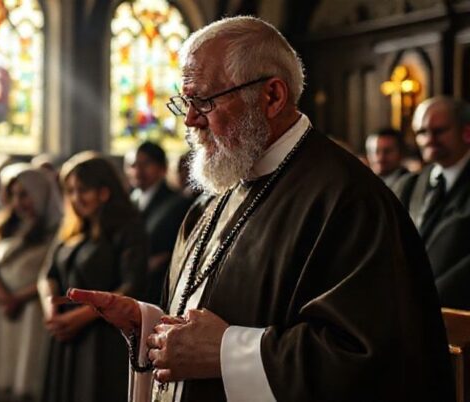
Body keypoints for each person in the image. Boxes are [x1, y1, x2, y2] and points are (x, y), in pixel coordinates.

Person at [68, 16, 452, 402]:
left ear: (272, 96)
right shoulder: (222, 189)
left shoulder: (350, 201)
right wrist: (151, 326)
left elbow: (372, 362)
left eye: (204, 100)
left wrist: (225, 353)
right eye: (185, 101)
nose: (189, 119)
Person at [39, 152, 147, 402]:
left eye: (83, 190)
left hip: (102, 337)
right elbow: (48, 274)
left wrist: (82, 316)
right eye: (71, 191)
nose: (76, 199)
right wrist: (51, 311)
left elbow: (132, 284)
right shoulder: (73, 227)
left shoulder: (128, 228)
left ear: (104, 191)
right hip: (65, 332)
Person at [0, 166, 62, 401]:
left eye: (24, 194)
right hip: (1, 306)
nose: (18, 201)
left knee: (25, 370)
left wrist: (18, 298)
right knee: (2, 366)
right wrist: (3, 295)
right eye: (13, 194)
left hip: (31, 308)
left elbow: (53, 273)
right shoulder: (4, 225)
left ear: (40, 192)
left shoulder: (57, 229)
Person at [397, 96, 470, 309]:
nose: (429, 139)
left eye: (438, 131)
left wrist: (426, 301)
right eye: (421, 132)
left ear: (466, 131)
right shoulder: (408, 184)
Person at [125, 142, 190, 304]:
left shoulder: (178, 204)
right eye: (132, 165)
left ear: (163, 168)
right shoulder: (126, 201)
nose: (137, 171)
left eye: (146, 164)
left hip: (156, 290)